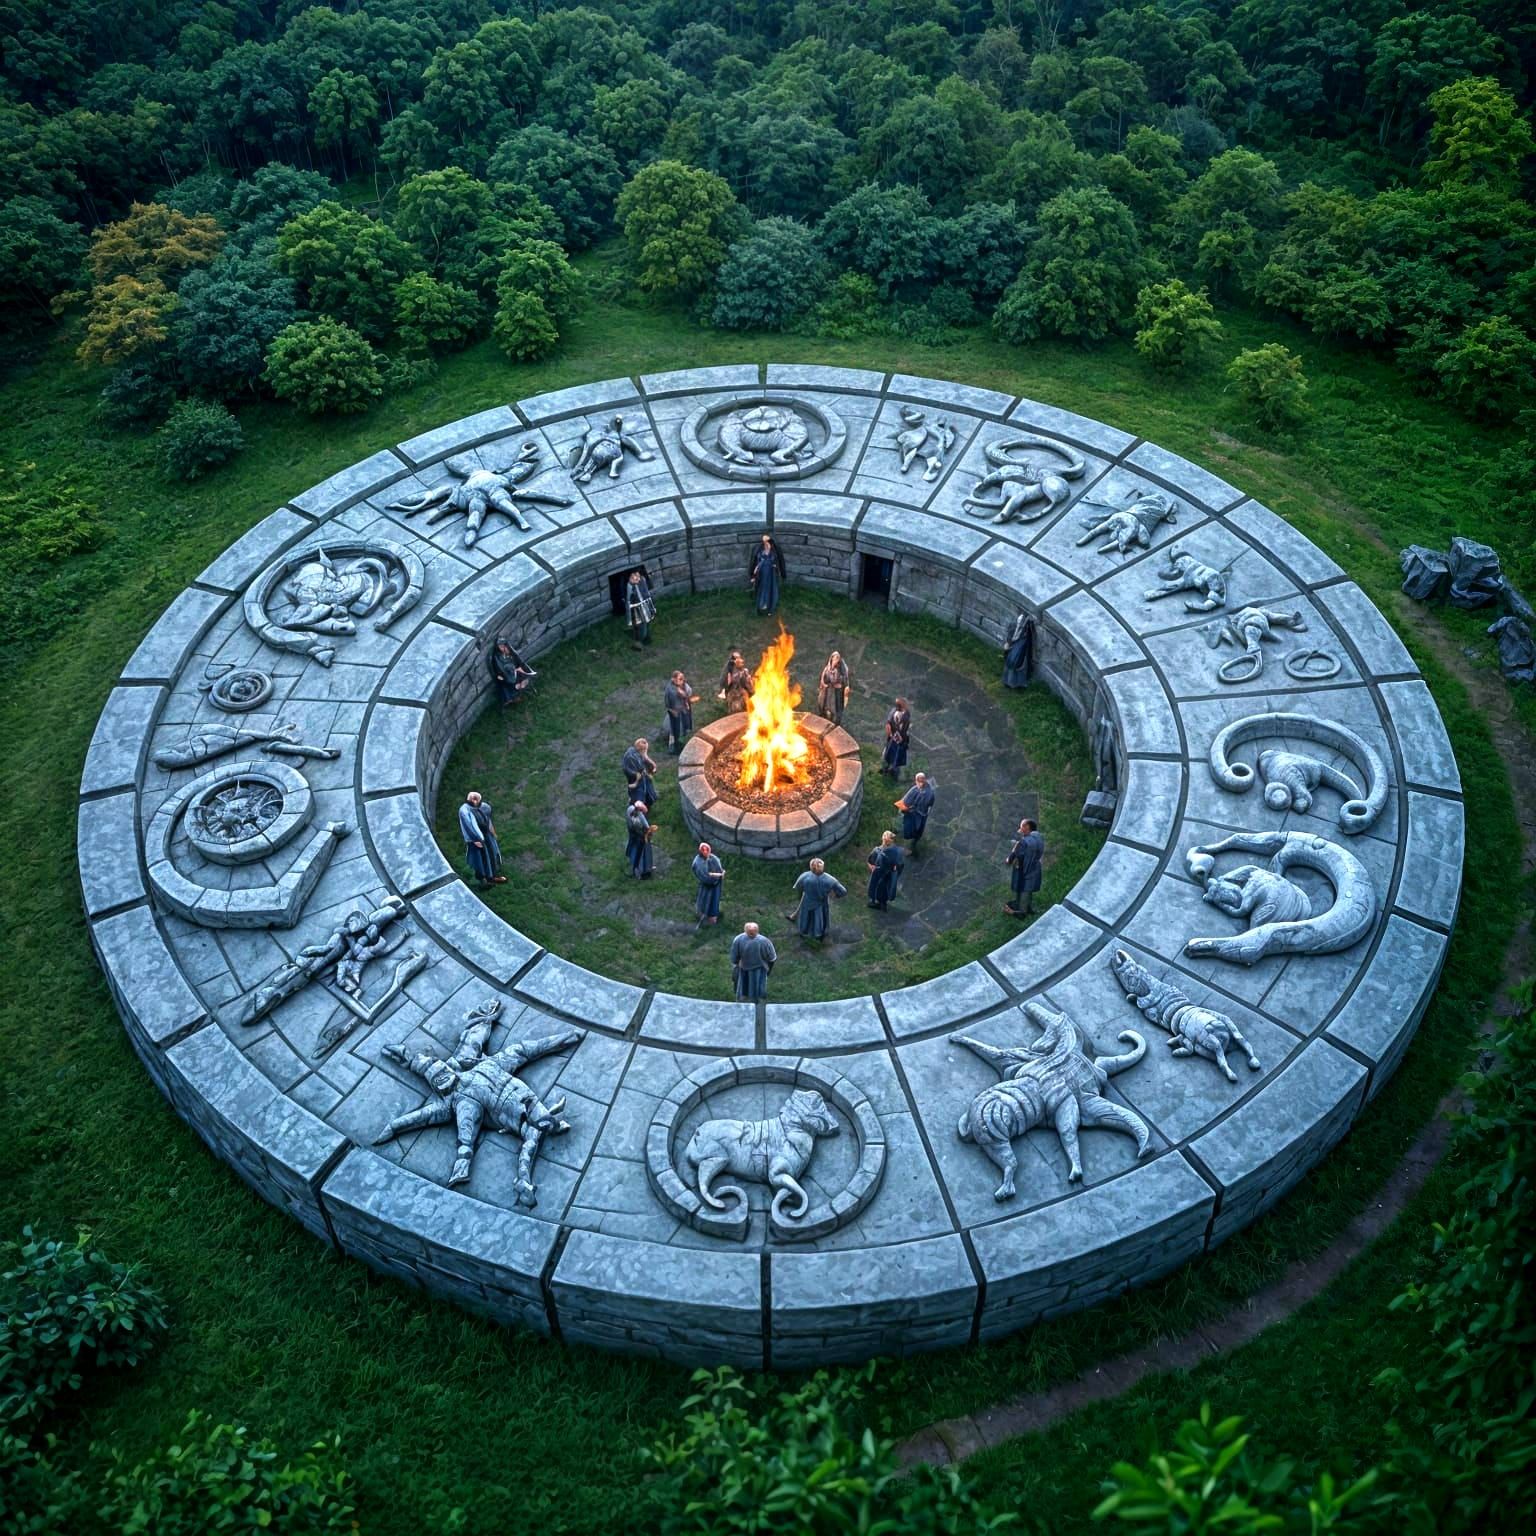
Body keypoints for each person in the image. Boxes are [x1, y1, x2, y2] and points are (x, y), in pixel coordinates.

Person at [459, 791, 506, 887]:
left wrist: (492, 832)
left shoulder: (484, 807)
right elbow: (467, 825)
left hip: (486, 835)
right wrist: (474, 839)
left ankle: (492, 876)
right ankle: (481, 881)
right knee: (479, 859)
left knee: (491, 854)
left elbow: (487, 820)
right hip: (475, 838)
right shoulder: (464, 810)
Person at [792, 858, 847, 940]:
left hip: (807, 901)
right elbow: (843, 891)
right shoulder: (830, 880)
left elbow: (798, 887)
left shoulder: (804, 876)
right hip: (821, 903)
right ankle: (818, 934)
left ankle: (803, 931)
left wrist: (805, 891)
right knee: (819, 919)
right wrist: (836, 895)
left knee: (805, 918)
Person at [1005, 818, 1044, 917]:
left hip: (1024, 871)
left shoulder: (1023, 842)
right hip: (1035, 868)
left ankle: (1019, 912)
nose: (1020, 829)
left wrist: (1009, 859)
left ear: (1027, 827)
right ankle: (1028, 907)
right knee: (1029, 889)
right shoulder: (1039, 838)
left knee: (1023, 891)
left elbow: (1014, 856)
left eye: (1022, 826)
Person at [730, 921, 777, 999]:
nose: (751, 934)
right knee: (757, 989)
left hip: (749, 968)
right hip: (754, 969)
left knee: (743, 988)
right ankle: (755, 1001)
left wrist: (736, 964)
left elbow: (734, 958)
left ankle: (745, 1000)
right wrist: (768, 970)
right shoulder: (765, 941)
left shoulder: (738, 939)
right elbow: (772, 959)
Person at [895, 772, 936, 849]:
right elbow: (931, 803)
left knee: (909, 827)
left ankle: (910, 841)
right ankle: (915, 841)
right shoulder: (931, 792)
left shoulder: (915, 790)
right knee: (919, 829)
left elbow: (905, 803)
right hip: (923, 814)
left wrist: (903, 809)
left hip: (913, 814)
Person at [489, 637, 536, 704]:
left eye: (504, 646)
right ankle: (517, 690)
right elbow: (503, 671)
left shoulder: (510, 652)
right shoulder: (497, 657)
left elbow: (518, 661)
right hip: (509, 677)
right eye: (501, 646)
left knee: (523, 672)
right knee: (518, 675)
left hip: (516, 673)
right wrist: (513, 670)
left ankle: (523, 683)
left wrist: (519, 668)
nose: (503, 647)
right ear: (498, 648)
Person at [748, 533, 786, 615]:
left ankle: (770, 608)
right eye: (764, 541)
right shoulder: (757, 549)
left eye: (768, 541)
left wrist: (783, 574)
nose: (766, 543)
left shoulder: (776, 550)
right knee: (762, 589)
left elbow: (781, 562)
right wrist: (752, 575)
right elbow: (753, 562)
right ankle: (762, 606)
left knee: (771, 590)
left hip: (771, 575)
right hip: (761, 575)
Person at [866, 830, 905, 910]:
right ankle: (882, 904)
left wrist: (873, 869)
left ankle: (876, 903)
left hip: (879, 875)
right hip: (888, 876)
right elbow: (900, 865)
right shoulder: (897, 851)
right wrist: (896, 871)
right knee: (885, 891)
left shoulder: (877, 850)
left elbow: (870, 862)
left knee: (876, 889)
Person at [663, 669, 699, 755]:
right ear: (674, 679)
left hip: (685, 710)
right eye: (680, 679)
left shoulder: (684, 685)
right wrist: (673, 711)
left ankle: (686, 743)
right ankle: (676, 748)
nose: (682, 680)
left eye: (682, 678)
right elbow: (667, 704)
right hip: (675, 713)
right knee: (676, 730)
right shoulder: (669, 690)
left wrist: (686, 698)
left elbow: (688, 693)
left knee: (686, 726)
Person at [691, 842, 724, 924]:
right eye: (703, 850)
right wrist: (716, 875)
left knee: (714, 901)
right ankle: (703, 915)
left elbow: (719, 869)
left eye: (707, 850)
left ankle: (712, 916)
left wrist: (718, 874)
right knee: (704, 900)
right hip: (706, 886)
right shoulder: (698, 862)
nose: (705, 852)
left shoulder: (713, 858)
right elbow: (705, 877)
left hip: (716, 886)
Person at [880, 698, 912, 778]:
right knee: (888, 755)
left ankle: (894, 773)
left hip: (900, 740)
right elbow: (888, 723)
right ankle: (885, 769)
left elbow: (904, 729)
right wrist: (890, 734)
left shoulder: (906, 714)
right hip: (893, 738)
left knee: (897, 757)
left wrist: (902, 739)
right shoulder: (894, 712)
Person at [622, 738, 657, 808]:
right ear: (641, 749)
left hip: (641, 779)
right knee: (639, 797)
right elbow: (648, 770)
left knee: (647, 795)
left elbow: (652, 769)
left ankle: (644, 805)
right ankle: (637, 811)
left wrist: (646, 758)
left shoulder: (638, 755)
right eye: (645, 750)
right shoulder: (632, 758)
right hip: (637, 781)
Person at [625, 568, 655, 648]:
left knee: (648, 623)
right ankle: (637, 643)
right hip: (637, 609)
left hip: (646, 606)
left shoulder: (642, 580)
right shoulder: (629, 586)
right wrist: (629, 618)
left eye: (637, 575)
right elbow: (628, 602)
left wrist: (652, 607)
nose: (636, 577)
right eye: (633, 576)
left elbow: (647, 594)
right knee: (642, 628)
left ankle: (647, 639)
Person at [1003, 612, 1034, 688]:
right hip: (1015, 650)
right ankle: (1011, 683)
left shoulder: (1026, 629)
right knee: (1012, 665)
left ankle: (1015, 683)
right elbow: (1011, 637)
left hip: (1020, 649)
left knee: (1016, 665)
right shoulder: (1014, 625)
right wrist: (1009, 643)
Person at [718, 649, 754, 714]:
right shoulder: (728, 672)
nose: (740, 660)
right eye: (736, 658)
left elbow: (750, 688)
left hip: (743, 699)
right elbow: (724, 685)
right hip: (735, 699)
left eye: (739, 658)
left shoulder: (744, 672)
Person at [817, 651, 849, 724]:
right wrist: (824, 684)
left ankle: (834, 722)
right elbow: (823, 678)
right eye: (834, 658)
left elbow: (844, 681)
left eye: (837, 658)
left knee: (835, 709)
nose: (836, 660)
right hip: (827, 691)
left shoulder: (841, 670)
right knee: (824, 705)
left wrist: (839, 685)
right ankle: (823, 717)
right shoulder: (827, 668)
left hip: (836, 693)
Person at [625, 800, 655, 878]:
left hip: (634, 836)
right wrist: (648, 832)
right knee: (640, 854)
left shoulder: (630, 809)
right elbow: (644, 827)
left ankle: (638, 868)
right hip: (640, 837)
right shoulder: (637, 818)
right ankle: (641, 871)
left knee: (635, 852)